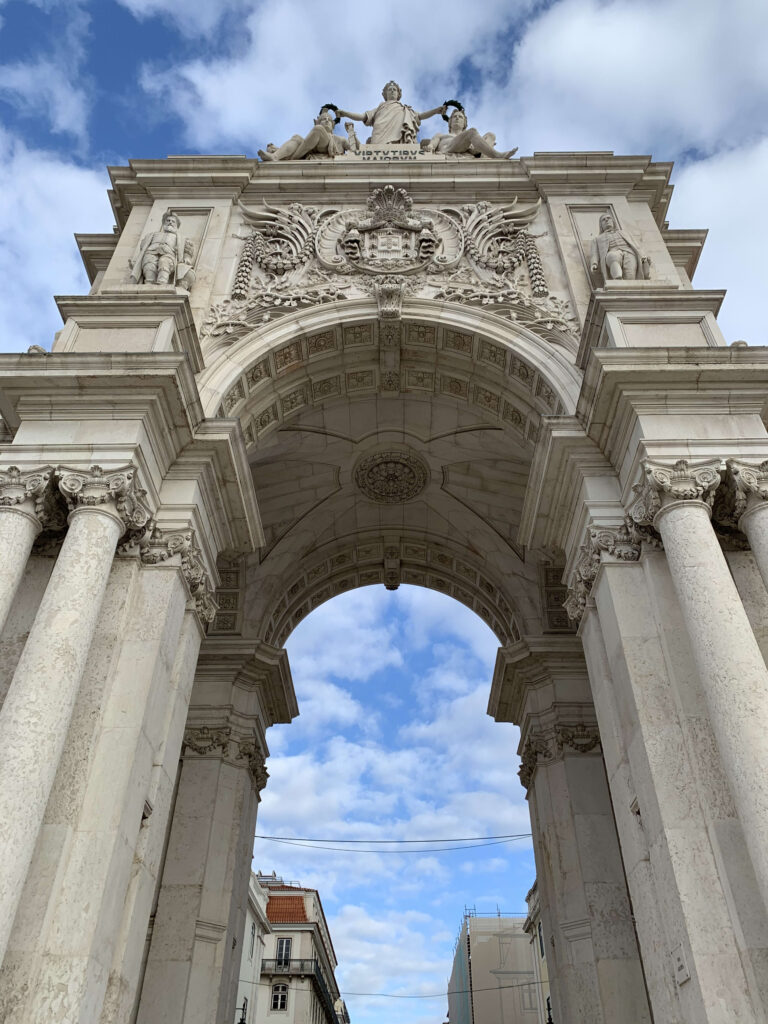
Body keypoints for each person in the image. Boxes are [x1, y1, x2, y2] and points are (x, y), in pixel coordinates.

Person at [336, 81, 445, 145]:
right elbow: (363, 116)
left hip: (400, 138)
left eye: (394, 89)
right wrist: (345, 113)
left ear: (398, 94)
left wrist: (435, 111)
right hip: (379, 137)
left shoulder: (405, 109)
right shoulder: (379, 107)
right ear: (384, 94)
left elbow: (420, 116)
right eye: (390, 89)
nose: (392, 91)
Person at [258, 108, 358, 161]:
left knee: (318, 130)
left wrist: (352, 133)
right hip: (310, 149)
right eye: (324, 119)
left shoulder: (341, 140)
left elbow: (356, 151)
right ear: (317, 122)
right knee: (296, 137)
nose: (327, 121)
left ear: (333, 125)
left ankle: (292, 156)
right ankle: (275, 156)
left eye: (329, 120)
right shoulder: (316, 132)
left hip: (317, 149)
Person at [129, 210, 195, 287]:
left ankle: (162, 284)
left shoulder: (181, 238)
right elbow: (143, 246)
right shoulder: (152, 235)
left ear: (177, 225)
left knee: (164, 262)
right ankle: (149, 284)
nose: (170, 222)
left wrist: (187, 258)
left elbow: (188, 249)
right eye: (168, 220)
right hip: (150, 252)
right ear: (164, 222)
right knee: (149, 265)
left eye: (173, 221)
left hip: (169, 254)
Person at [421, 107, 517, 159]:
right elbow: (432, 145)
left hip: (468, 150)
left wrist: (473, 147)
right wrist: (429, 147)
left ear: (464, 124)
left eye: (460, 117)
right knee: (472, 132)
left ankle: (485, 158)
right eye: (455, 117)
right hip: (447, 150)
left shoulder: (468, 138)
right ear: (450, 122)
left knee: (491, 135)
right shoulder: (440, 135)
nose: (457, 118)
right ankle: (497, 155)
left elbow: (473, 147)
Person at [589, 212, 651, 281]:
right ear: (601, 225)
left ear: (613, 222)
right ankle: (617, 278)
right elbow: (594, 253)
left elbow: (636, 245)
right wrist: (594, 263)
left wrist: (643, 256)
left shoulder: (625, 233)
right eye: (603, 220)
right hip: (613, 251)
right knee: (612, 256)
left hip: (629, 252)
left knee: (630, 276)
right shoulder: (597, 239)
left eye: (608, 218)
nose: (606, 220)